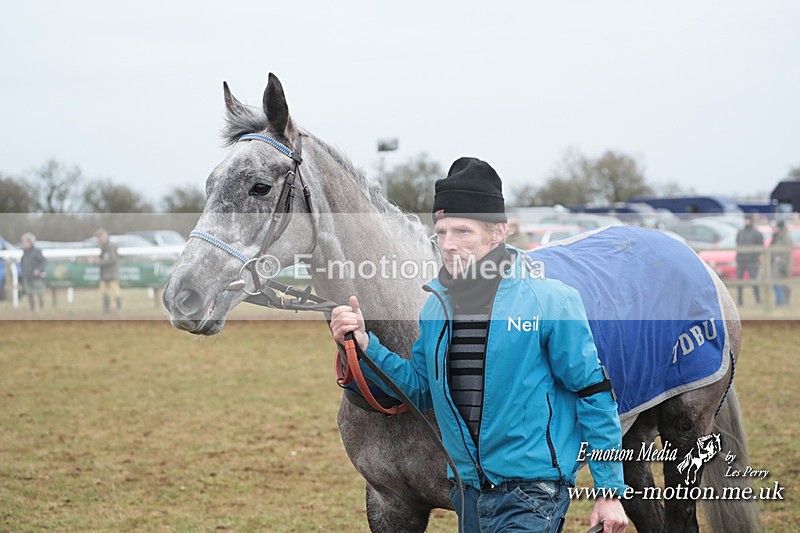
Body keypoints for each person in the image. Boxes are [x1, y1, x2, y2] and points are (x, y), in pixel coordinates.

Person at [330, 157, 628, 532]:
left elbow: (594, 394)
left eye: (462, 232)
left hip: (532, 495)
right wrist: (364, 344)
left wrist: (610, 491)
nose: (448, 245)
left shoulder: (552, 301)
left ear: (498, 232)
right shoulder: (436, 310)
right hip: (468, 494)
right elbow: (420, 389)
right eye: (441, 232)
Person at [90, 228, 122, 314]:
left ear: (104, 237)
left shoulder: (111, 246)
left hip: (112, 273)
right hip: (104, 274)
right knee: (104, 292)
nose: (99, 240)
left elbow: (112, 259)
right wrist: (96, 260)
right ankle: (106, 309)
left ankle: (119, 309)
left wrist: (99, 261)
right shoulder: (103, 247)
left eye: (100, 237)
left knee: (116, 291)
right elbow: (103, 258)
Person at [735, 216, 764, 306]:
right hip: (741, 261)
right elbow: (737, 243)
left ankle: (758, 301)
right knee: (739, 282)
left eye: (748, 219)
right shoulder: (740, 232)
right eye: (745, 219)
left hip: (752, 261)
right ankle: (740, 301)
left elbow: (760, 246)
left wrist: (755, 255)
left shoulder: (756, 233)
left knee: (754, 281)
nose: (747, 221)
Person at [19, 233, 46, 311]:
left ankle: (42, 308)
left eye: (26, 242)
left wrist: (38, 270)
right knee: (29, 293)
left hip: (37, 277)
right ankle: (32, 309)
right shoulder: (24, 252)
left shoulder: (37, 252)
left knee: (39, 293)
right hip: (27, 276)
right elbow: (22, 263)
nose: (24, 244)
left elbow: (43, 262)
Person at [770, 220, 792, 305]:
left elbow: (785, 252)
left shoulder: (785, 237)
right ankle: (780, 301)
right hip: (777, 263)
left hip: (782, 264)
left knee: (783, 283)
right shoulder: (777, 236)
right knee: (776, 282)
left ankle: (784, 301)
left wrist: (783, 265)